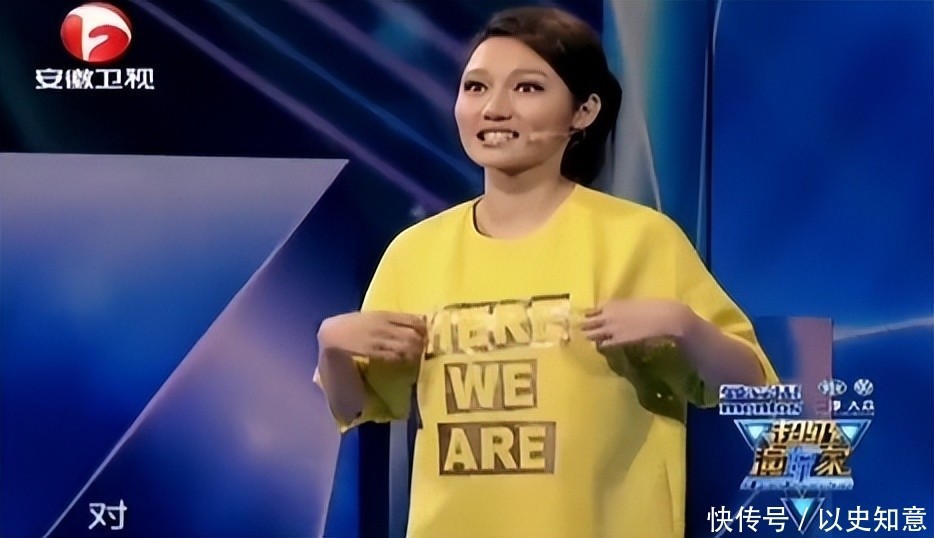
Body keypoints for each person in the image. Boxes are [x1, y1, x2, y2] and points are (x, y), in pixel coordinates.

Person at [315, 6, 778, 537]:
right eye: (475, 87)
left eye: (527, 88)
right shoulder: (414, 252)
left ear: (583, 111)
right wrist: (332, 347)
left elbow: (755, 389)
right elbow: (357, 406)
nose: (494, 109)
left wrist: (684, 326)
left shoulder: (638, 239)